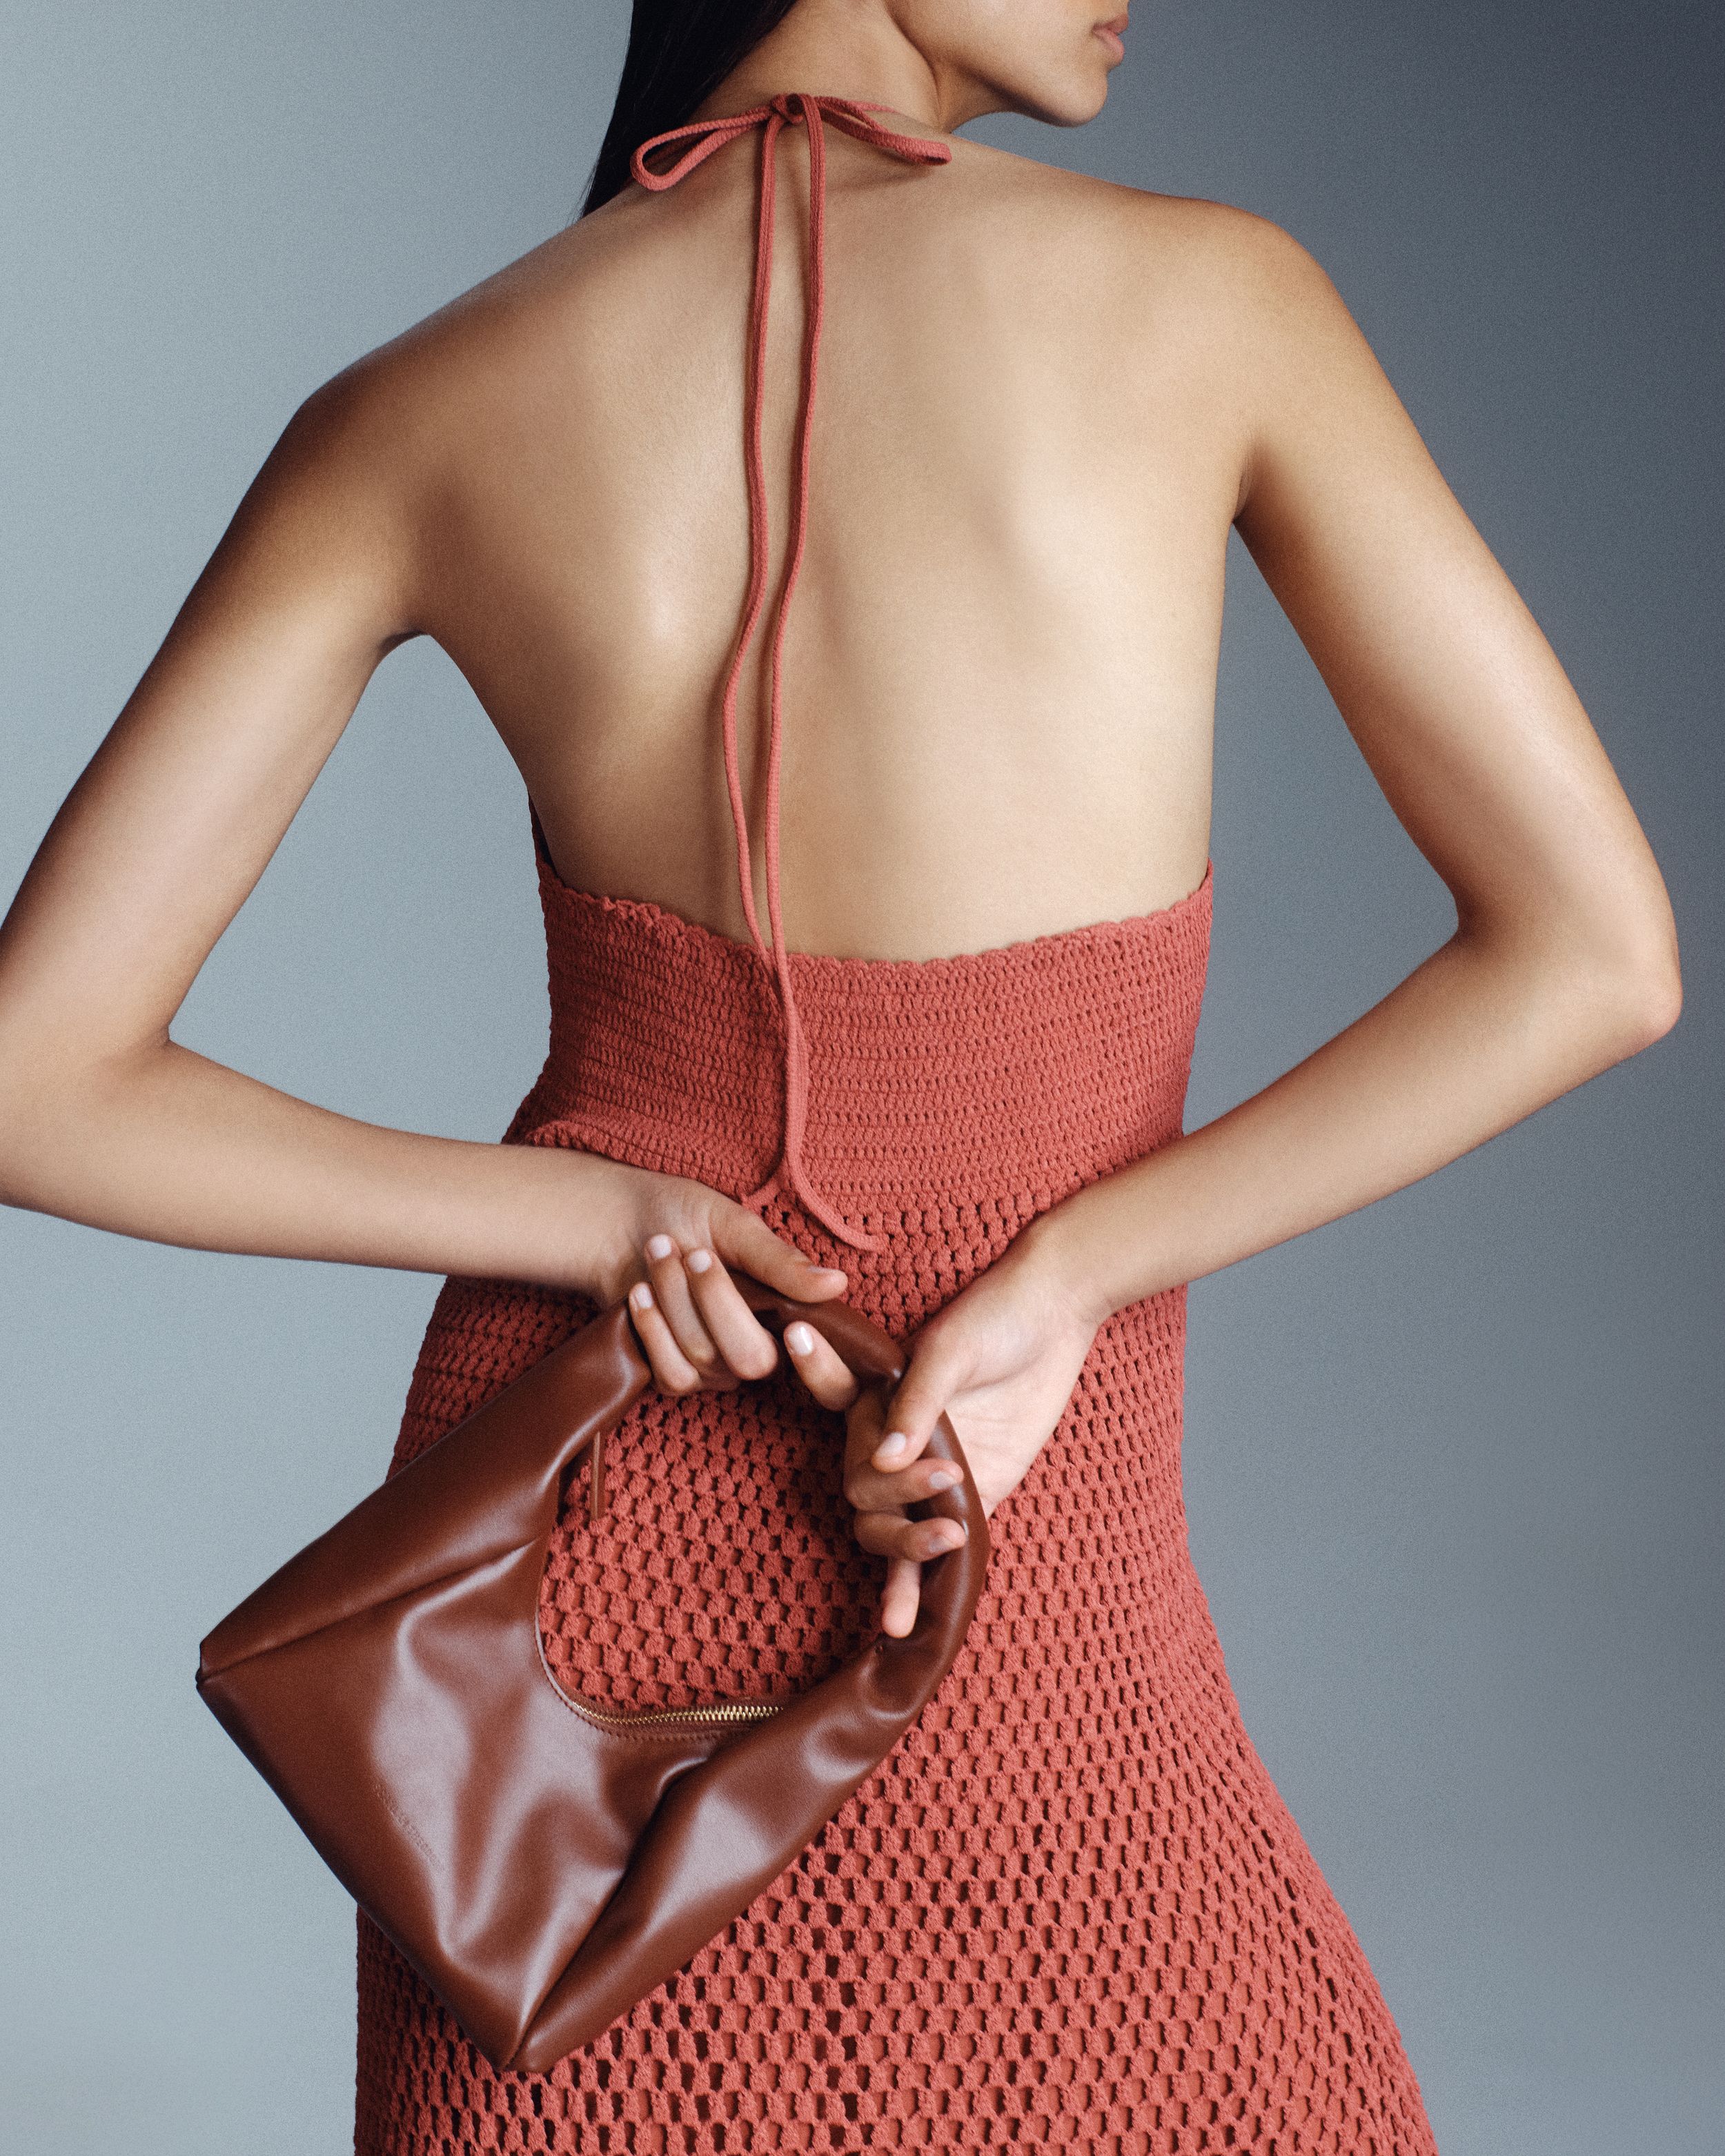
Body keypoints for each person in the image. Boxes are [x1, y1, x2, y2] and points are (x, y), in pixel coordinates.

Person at [0, 0, 1682, 2148]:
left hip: (569, 1572)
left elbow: (33, 1078)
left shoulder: (420, 404)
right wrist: (1067, 1277)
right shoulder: (1215, 302)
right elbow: (1595, 958)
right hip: (992, 1500)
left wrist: (598, 1214)